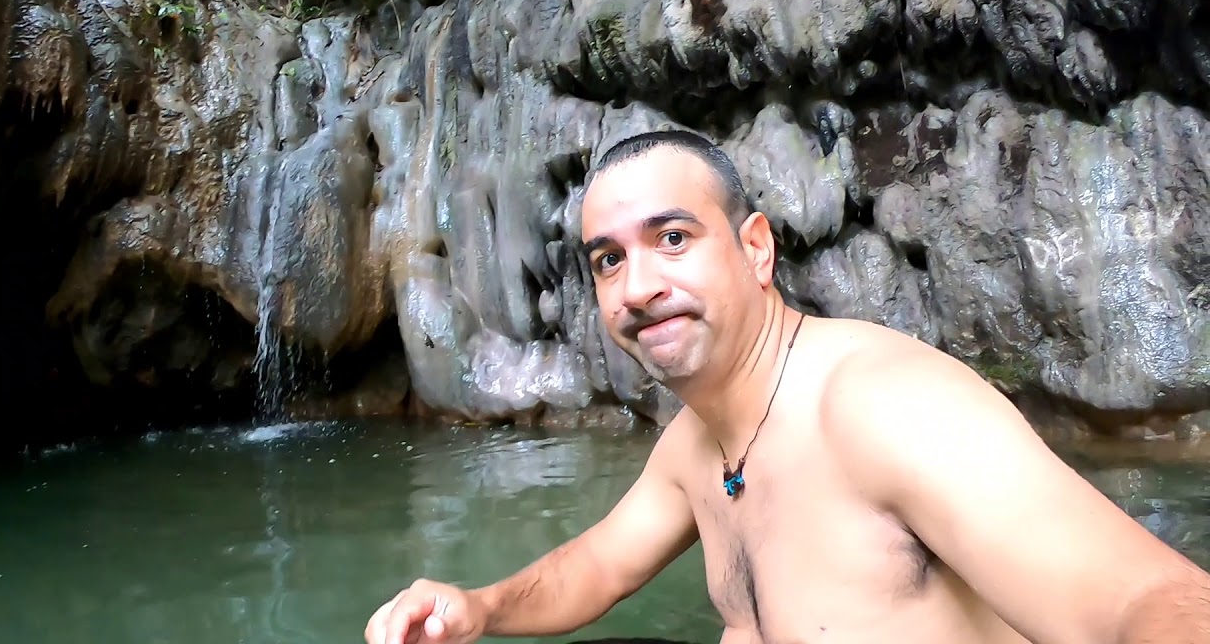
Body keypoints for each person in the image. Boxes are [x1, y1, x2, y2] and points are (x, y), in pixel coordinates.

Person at [366, 130, 1210, 644]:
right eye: (608, 259)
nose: (637, 285)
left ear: (757, 250)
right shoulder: (692, 444)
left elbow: (1150, 599)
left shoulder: (881, 404)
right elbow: (597, 568)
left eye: (672, 237)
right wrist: (475, 606)